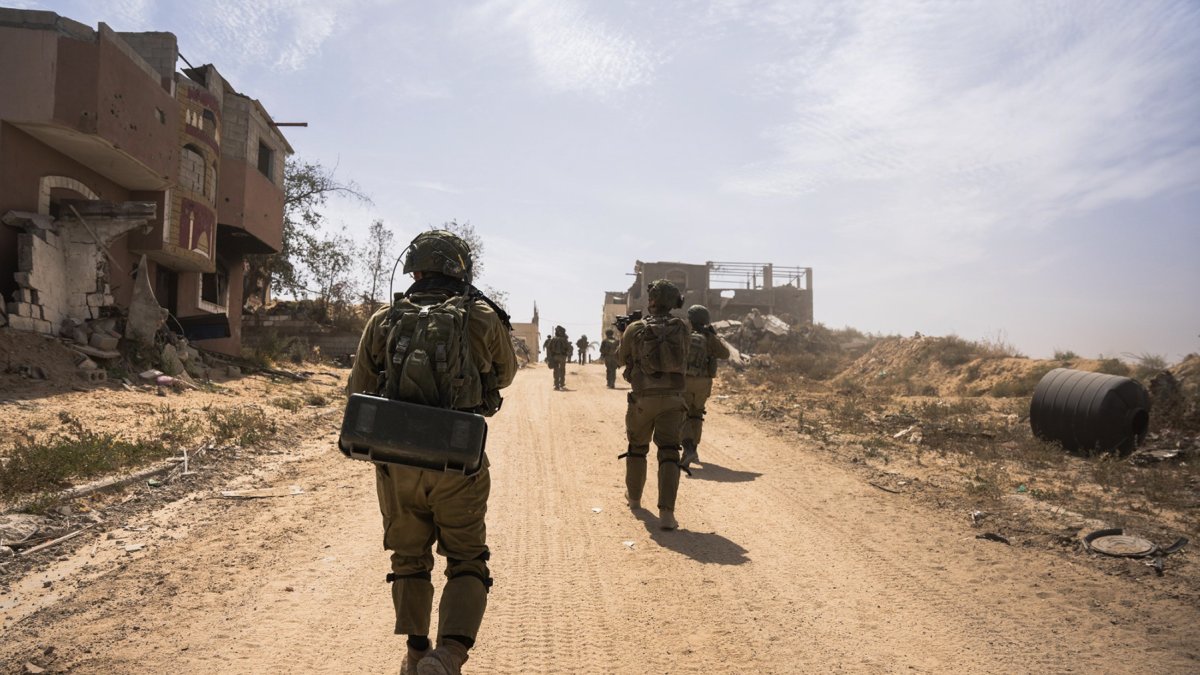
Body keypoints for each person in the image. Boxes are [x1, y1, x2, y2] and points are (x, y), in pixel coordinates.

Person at [347, 229, 517, 675]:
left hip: (396, 461)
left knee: (408, 558)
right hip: (458, 458)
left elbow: (360, 390)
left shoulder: (384, 318)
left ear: (415, 270)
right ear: (460, 270)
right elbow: (506, 376)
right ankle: (450, 655)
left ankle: (417, 650)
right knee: (466, 557)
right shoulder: (481, 315)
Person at [616, 279, 690, 530]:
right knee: (669, 451)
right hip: (673, 398)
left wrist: (625, 335)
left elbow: (619, 359)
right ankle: (667, 514)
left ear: (653, 300)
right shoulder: (682, 327)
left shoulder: (636, 327)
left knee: (637, 448)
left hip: (643, 398)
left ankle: (635, 499)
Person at [680, 304, 730, 470]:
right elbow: (725, 354)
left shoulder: (685, 335)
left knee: (683, 415)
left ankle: (688, 448)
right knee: (697, 414)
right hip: (704, 382)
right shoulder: (709, 337)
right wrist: (715, 336)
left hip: (685, 380)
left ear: (691, 320)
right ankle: (694, 448)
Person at [544, 325, 572, 390]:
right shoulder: (564, 340)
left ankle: (556, 385)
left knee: (556, 370)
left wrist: (549, 358)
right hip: (563, 357)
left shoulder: (553, 339)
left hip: (555, 357)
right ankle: (561, 383)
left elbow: (549, 348)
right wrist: (567, 355)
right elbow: (569, 348)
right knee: (562, 370)